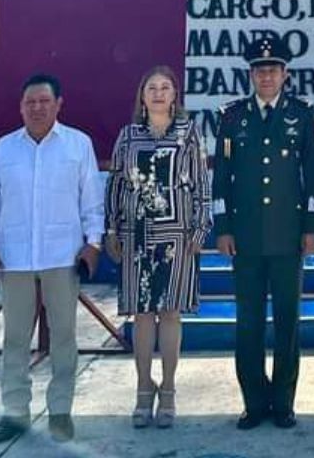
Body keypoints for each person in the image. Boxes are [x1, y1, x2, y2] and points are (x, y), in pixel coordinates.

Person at [0, 73, 103, 445]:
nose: (37, 108)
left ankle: (60, 412)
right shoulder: (4, 150)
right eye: (30, 102)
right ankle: (15, 413)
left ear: (59, 104)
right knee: (15, 339)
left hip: (62, 258)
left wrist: (92, 244)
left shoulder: (78, 146)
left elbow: (91, 202)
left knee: (64, 337)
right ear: (21, 106)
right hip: (13, 260)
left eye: (44, 101)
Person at [212, 35, 314, 430]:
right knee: (249, 323)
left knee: (288, 323)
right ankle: (254, 403)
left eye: (273, 70)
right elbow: (221, 179)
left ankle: (284, 402)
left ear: (285, 74)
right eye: (260, 70)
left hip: (288, 237)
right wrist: (222, 228)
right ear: (251, 74)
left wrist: (312, 228)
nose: (266, 76)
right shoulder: (231, 117)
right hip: (245, 239)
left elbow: (312, 176)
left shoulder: (301, 114)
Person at [104, 67, 210, 430]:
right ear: (142, 96)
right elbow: (116, 185)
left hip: (178, 236)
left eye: (166, 87)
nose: (159, 93)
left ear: (175, 95)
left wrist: (201, 227)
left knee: (170, 313)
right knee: (143, 315)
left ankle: (168, 390)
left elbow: (201, 186)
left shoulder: (189, 133)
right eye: (152, 88)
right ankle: (142, 391)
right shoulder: (128, 136)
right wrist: (111, 229)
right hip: (137, 236)